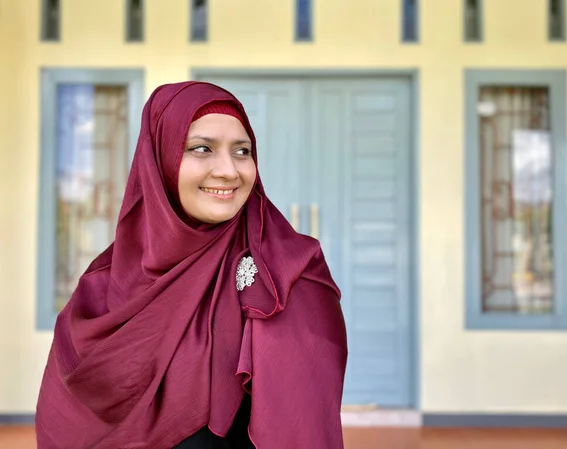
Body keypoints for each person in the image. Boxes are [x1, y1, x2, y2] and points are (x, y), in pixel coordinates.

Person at [35, 82, 348, 449]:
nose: (229, 171)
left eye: (242, 151)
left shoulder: (291, 277)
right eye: (202, 148)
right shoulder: (101, 287)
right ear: (160, 159)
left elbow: (302, 429)